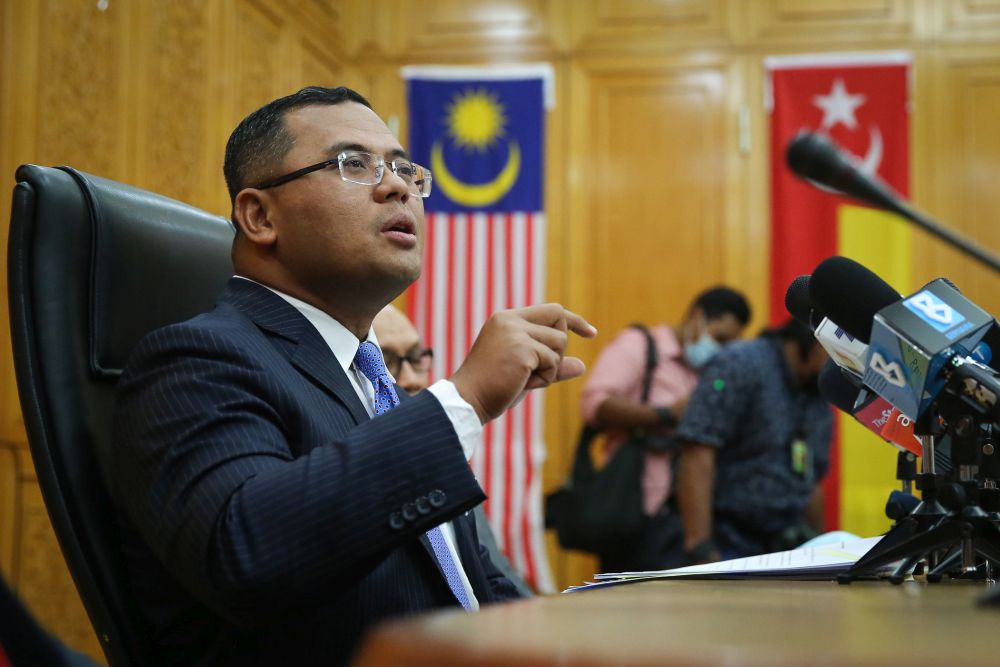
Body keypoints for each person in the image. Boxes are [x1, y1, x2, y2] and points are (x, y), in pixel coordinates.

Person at [111, 86, 595, 667]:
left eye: (405, 170)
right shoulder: (196, 358)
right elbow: (245, 552)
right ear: (260, 216)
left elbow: (475, 591)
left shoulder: (378, 388)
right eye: (354, 164)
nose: (398, 187)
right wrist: (463, 399)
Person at [578, 287, 751, 571]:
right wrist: (665, 414)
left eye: (728, 345)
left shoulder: (712, 371)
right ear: (697, 316)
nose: (720, 350)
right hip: (634, 510)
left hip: (686, 519)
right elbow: (594, 404)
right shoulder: (640, 345)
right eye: (719, 338)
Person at [372, 304, 534, 596]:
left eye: (415, 358)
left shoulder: (442, 459)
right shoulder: (348, 470)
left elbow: (494, 575)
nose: (412, 379)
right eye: (387, 361)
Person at [674, 319, 833, 563]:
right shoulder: (740, 363)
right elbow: (697, 449)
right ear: (816, 341)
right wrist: (700, 545)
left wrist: (819, 553)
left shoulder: (819, 391)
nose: (843, 366)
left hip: (786, 544)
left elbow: (812, 480)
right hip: (725, 539)